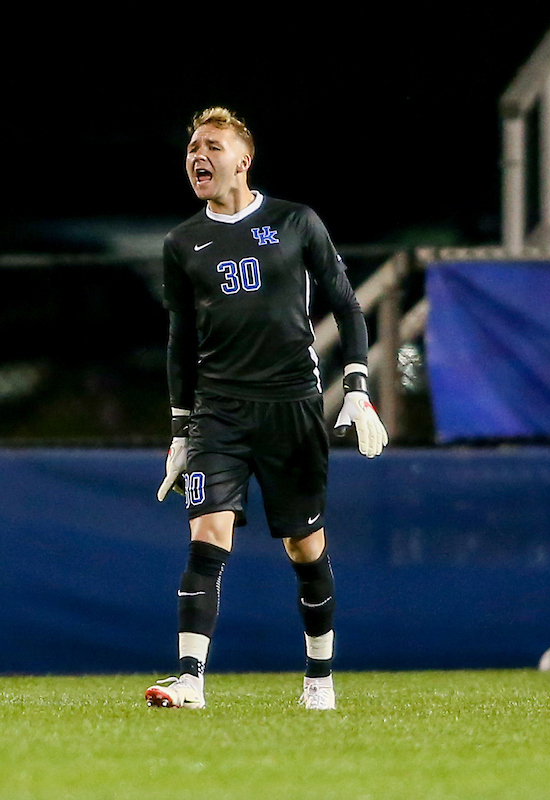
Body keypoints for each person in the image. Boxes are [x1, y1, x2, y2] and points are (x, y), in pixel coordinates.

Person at [146, 107, 389, 712]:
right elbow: (181, 339)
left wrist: (356, 387)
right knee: (208, 533)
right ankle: (191, 680)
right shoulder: (181, 243)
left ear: (243, 158)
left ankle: (319, 680)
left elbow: (346, 305)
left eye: (212, 146)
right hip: (219, 412)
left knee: (305, 546)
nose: (198, 156)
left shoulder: (295, 222)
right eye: (192, 149)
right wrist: (180, 428)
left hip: (292, 407)